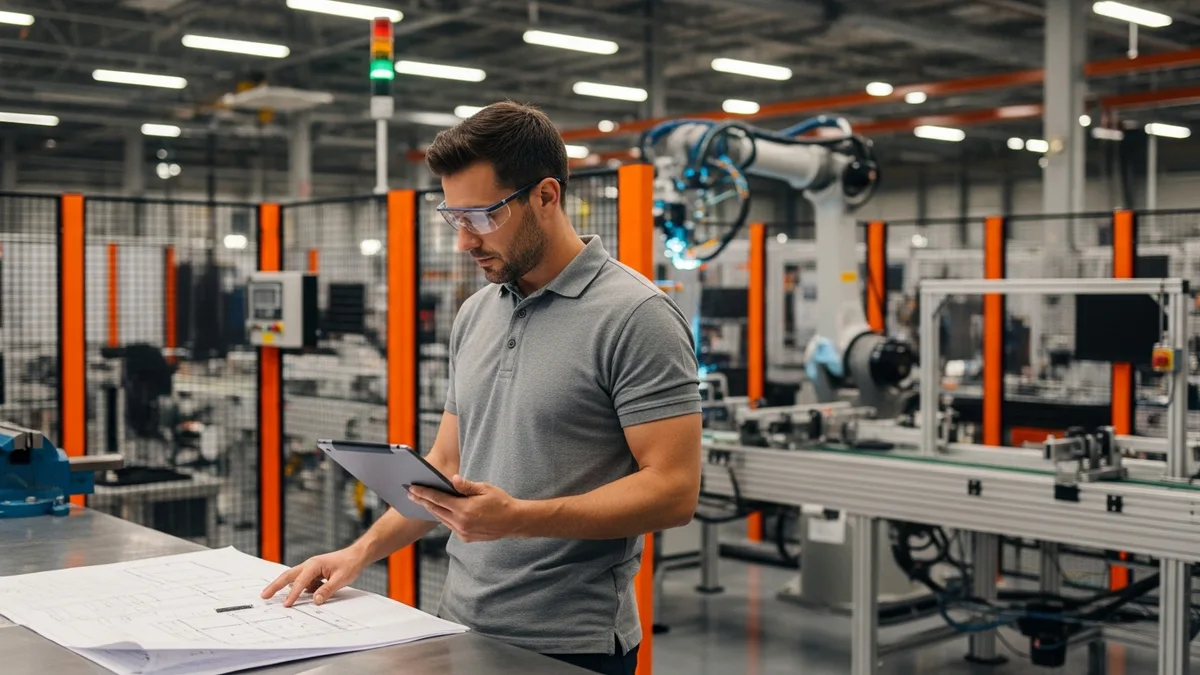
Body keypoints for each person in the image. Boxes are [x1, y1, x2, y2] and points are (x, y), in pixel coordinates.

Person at [261, 101, 703, 675]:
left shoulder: (636, 315)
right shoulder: (476, 314)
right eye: (454, 217)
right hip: (461, 623)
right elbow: (445, 467)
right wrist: (356, 553)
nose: (465, 241)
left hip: (572, 644)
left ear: (546, 196)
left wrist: (518, 517)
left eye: (482, 216)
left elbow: (673, 491)